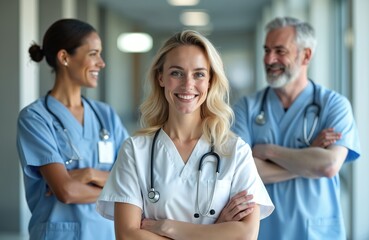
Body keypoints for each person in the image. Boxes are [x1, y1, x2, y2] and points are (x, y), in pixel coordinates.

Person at [96, 30, 274, 240]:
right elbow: (127, 235)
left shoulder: (234, 150)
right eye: (176, 73)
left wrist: (170, 228)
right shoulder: (135, 150)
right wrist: (217, 229)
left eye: (199, 74)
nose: (187, 84)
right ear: (160, 77)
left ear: (210, 81)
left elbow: (246, 235)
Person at [232, 16, 361, 240]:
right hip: (264, 231)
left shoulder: (334, 105)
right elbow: (241, 172)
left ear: (306, 55)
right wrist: (308, 158)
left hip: (318, 233)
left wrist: (269, 152)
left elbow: (329, 165)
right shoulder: (247, 107)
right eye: (267, 50)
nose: (270, 59)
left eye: (280, 51)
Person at [16, 18, 129, 240]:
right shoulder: (35, 118)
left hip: (106, 233)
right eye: (93, 53)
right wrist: (114, 193)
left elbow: (134, 178)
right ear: (65, 57)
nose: (102, 63)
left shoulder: (106, 115)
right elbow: (66, 191)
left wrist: (89, 174)